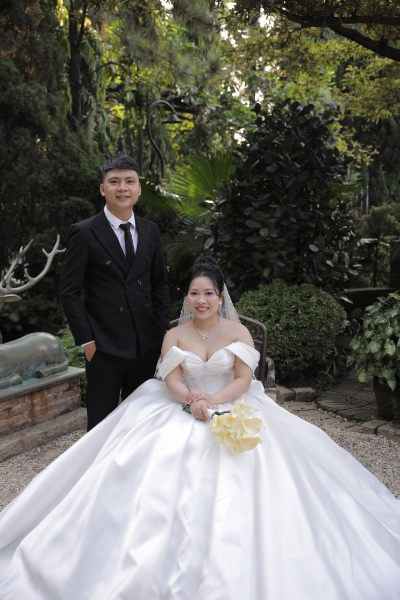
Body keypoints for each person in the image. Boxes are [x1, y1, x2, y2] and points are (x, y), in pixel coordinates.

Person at [0, 256, 400, 599]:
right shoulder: (174, 333)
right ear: (186, 297)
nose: (201, 300)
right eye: (194, 293)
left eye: (209, 293)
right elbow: (172, 381)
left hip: (232, 402)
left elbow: (244, 379)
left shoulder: (238, 332)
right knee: (141, 458)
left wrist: (214, 400)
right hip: (181, 404)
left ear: (221, 296)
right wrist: (192, 399)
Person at [59, 155, 170, 430]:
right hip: (104, 346)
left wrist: (161, 331)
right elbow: (69, 292)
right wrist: (88, 342)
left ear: (139, 188)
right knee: (101, 425)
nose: (122, 188)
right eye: (114, 181)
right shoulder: (84, 232)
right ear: (102, 188)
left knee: (141, 424)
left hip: (146, 345)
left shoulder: (150, 230)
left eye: (129, 181)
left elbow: (160, 284)